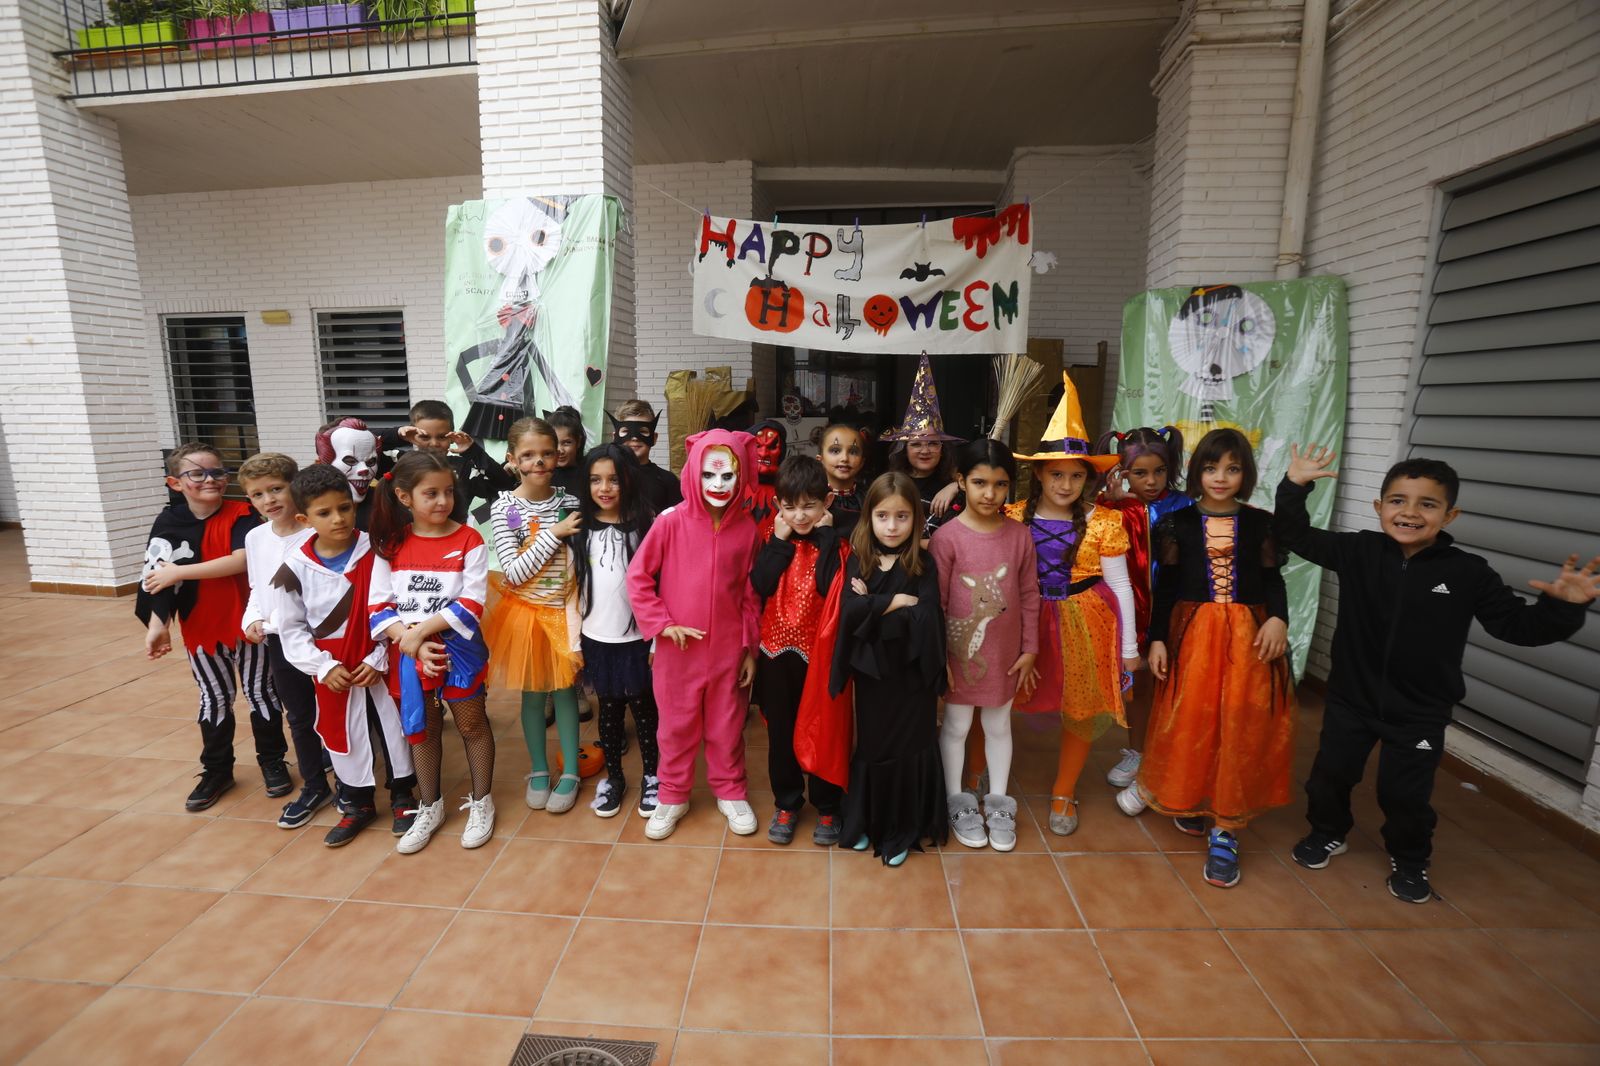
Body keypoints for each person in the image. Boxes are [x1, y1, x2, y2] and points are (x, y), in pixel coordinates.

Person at [1277, 447, 1596, 903]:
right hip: (1351, 698)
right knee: (1330, 776)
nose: (1409, 512)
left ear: (1450, 515)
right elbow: (1293, 534)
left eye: (1427, 504)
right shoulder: (1358, 550)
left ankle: (1410, 860)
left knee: (1403, 795)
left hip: (1419, 711)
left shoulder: (1469, 573)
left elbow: (1517, 627)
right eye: (1397, 501)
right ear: (1379, 507)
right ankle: (1328, 831)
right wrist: (1295, 486)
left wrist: (1563, 608)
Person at [1117, 429, 1294, 890]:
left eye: (1232, 469)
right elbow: (1167, 588)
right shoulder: (1176, 524)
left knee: (1238, 720)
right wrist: (1156, 640)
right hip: (1191, 635)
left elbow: (1274, 580)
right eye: (1212, 468)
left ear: (1246, 475)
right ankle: (1193, 797)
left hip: (1249, 638)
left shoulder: (1260, 524)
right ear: (1196, 473)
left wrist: (1278, 620)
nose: (1221, 477)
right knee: (1192, 717)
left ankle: (1226, 828)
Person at [1011, 376, 1137, 837]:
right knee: (997, 698)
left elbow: (1121, 586)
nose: (1066, 484)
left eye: (1077, 475)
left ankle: (1065, 788)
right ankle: (977, 773)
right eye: (1056, 473)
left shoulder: (1105, 521)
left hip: (1087, 619)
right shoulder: (1011, 517)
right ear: (1039, 474)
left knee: (1081, 706)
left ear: (1089, 477)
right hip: (1024, 620)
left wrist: (1129, 647)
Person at [626, 429, 763, 840]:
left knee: (727, 724)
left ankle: (731, 789)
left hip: (728, 651)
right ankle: (673, 794)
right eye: (708, 475)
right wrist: (662, 625)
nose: (717, 485)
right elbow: (638, 579)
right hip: (677, 651)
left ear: (742, 479)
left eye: (727, 477)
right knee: (676, 726)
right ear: (693, 474)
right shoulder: (669, 523)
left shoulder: (748, 531)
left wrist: (748, 648)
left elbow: (751, 594)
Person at [273, 464, 419, 848]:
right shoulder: (293, 567)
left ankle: (404, 795)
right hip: (332, 666)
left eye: (344, 508)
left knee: (395, 726)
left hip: (380, 656)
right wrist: (323, 666)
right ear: (304, 518)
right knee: (344, 734)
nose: (338, 518)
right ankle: (356, 803)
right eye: (324, 512)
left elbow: (398, 607)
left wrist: (378, 658)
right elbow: (291, 628)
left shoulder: (378, 550)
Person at [136, 443, 286, 811]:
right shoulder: (168, 522)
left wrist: (180, 571)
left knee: (261, 693)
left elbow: (241, 561)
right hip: (200, 628)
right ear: (175, 482)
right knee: (213, 698)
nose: (210, 480)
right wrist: (158, 624)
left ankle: (272, 761)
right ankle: (217, 770)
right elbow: (157, 578)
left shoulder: (244, 513)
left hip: (246, 622)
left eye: (217, 472)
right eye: (197, 473)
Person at [369, 450, 496, 853]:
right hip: (411, 654)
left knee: (472, 725)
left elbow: (472, 602)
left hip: (459, 651)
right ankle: (430, 805)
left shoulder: (470, 539)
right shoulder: (391, 544)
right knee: (423, 732)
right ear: (405, 497)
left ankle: (482, 801)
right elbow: (378, 605)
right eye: (431, 494)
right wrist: (412, 642)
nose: (443, 501)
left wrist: (419, 633)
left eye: (448, 492)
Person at [930, 438, 1039, 852]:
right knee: (956, 725)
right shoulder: (947, 539)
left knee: (998, 725)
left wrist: (1030, 648)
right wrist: (941, 656)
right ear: (961, 482)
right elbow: (937, 603)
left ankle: (998, 801)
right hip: (959, 657)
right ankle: (956, 799)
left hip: (1006, 655)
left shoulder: (1019, 536)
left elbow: (1029, 593)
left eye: (999, 484)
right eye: (979, 482)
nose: (990, 494)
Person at [834, 472, 948, 866]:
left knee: (907, 748)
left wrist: (875, 607)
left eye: (902, 517)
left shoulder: (923, 564)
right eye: (883, 516)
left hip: (912, 679)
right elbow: (848, 614)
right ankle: (867, 818)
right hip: (873, 678)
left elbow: (928, 619)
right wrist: (896, 603)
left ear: (915, 519)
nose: (892, 526)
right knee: (873, 745)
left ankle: (902, 828)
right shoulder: (860, 560)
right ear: (869, 518)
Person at [486, 417, 586, 816]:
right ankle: (540, 769)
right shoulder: (505, 507)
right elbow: (514, 571)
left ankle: (572, 772)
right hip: (526, 615)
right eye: (528, 455)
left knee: (565, 692)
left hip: (566, 610)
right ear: (512, 459)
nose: (540, 462)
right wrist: (554, 534)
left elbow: (584, 559)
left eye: (547, 453)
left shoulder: (571, 501)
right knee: (532, 695)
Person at [749, 454, 849, 846]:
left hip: (819, 654)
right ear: (778, 506)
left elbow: (827, 585)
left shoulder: (836, 543)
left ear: (826, 502)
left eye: (809, 506)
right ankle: (787, 801)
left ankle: (827, 805)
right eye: (790, 507)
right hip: (775, 651)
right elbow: (760, 583)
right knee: (782, 732)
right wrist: (779, 541)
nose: (800, 516)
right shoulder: (773, 540)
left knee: (821, 728)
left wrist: (824, 537)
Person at [237, 452, 334, 828]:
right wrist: (253, 617)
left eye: (276, 489)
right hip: (280, 641)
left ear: (295, 486)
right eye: (257, 495)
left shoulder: (317, 531)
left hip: (323, 639)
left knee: (336, 712)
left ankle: (348, 781)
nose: (268, 500)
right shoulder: (256, 537)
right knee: (298, 715)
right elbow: (256, 587)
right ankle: (314, 785)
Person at [1094, 425, 1193, 791]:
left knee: (1173, 685)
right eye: (1140, 473)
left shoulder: (1184, 508)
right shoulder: (1115, 508)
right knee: (1136, 687)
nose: (1151, 481)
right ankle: (1138, 752)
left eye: (1159, 471)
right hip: (1130, 611)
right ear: (1122, 472)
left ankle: (1169, 753)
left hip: (1174, 611)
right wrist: (1113, 502)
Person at [571, 443, 661, 818]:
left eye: (613, 479)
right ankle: (615, 777)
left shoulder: (647, 525)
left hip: (639, 639)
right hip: (597, 639)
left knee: (645, 711)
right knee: (608, 712)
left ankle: (654, 778)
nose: (604, 488)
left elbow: (661, 583)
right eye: (595, 480)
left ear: (628, 481)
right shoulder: (578, 528)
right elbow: (571, 589)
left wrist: (657, 637)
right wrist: (575, 641)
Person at [377, 399, 520, 525]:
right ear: (411, 435)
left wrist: (473, 451)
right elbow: (363, 444)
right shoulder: (401, 463)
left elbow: (503, 484)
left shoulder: (465, 467)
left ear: (452, 436)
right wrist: (396, 435)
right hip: (408, 545)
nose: (434, 443)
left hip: (455, 545)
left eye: (441, 437)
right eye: (425, 437)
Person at [883, 352, 964, 542]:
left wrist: (954, 486)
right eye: (916, 444)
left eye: (933, 443)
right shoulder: (891, 484)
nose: (925, 450)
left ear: (942, 447)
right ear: (905, 448)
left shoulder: (953, 485)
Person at [610, 399, 682, 514]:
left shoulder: (668, 481)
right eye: (626, 431)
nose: (634, 438)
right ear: (615, 437)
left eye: (643, 431)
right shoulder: (603, 477)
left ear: (654, 438)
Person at [818, 423, 867, 536]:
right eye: (835, 451)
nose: (844, 458)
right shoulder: (810, 497)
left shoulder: (870, 498)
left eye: (853, 452)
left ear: (862, 462)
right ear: (820, 459)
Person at [746, 418, 787, 538]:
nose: (764, 453)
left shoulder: (788, 490)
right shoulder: (734, 488)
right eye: (757, 446)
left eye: (772, 447)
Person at [545, 405, 588, 498]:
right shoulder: (540, 472)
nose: (560, 450)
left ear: (579, 442)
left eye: (567, 443)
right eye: (554, 443)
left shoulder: (590, 471)